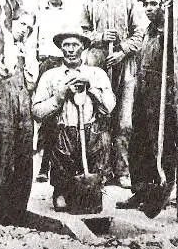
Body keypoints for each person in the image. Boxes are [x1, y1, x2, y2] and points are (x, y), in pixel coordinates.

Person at [80, 0, 147, 189]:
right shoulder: (89, 2)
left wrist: (123, 50)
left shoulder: (130, 1)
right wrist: (98, 36)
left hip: (125, 66)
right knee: (98, 115)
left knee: (124, 120)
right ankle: (101, 169)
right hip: (98, 65)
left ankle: (122, 171)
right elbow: (80, 34)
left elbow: (140, 33)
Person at [32, 30, 115, 212]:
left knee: (92, 205)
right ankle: (61, 189)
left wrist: (92, 88)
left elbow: (109, 107)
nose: (70, 50)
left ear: (83, 48)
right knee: (63, 201)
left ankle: (92, 188)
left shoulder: (96, 73)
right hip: (62, 135)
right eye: (66, 45)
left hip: (90, 133)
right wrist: (59, 98)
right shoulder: (50, 76)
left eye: (75, 45)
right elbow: (37, 111)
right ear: (61, 49)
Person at [118, 0, 177, 217]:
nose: (150, 8)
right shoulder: (148, 31)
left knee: (160, 140)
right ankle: (140, 190)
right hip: (143, 89)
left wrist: (170, 17)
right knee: (138, 141)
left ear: (163, 5)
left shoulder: (170, 29)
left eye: (154, 4)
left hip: (162, 92)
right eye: (147, 5)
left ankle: (161, 190)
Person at [0, 13, 36, 225]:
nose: (25, 29)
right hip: (1, 105)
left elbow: (31, 80)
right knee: (1, 156)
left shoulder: (28, 51)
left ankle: (18, 213)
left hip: (24, 105)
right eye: (22, 24)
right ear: (11, 23)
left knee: (24, 157)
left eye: (29, 28)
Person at [32, 0, 76, 183]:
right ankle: (43, 166)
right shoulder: (39, 13)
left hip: (63, 62)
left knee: (64, 115)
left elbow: (74, 40)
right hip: (46, 63)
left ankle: (63, 168)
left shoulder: (70, 13)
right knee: (47, 114)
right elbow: (33, 41)